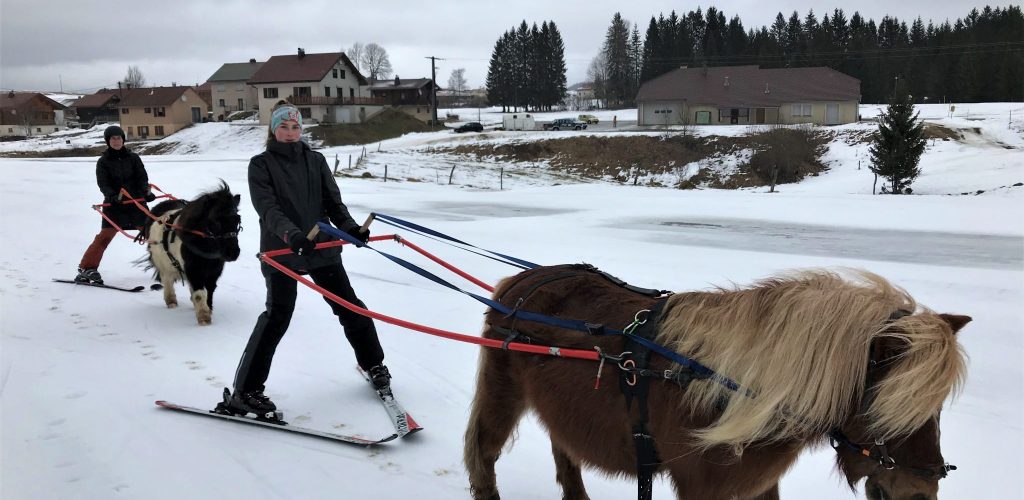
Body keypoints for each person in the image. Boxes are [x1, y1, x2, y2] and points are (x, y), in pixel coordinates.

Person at [227, 103, 388, 417]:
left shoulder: (315, 160)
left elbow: (333, 202)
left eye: (295, 128)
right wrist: (292, 235)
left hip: (323, 249)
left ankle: (374, 364)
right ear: (274, 130)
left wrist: (351, 229)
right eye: (284, 128)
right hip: (283, 252)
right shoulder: (261, 164)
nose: (290, 134)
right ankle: (245, 391)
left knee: (351, 307)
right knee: (277, 317)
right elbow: (268, 209)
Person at [75, 125, 154, 284]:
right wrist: (111, 196)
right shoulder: (103, 161)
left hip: (136, 204)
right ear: (108, 141)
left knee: (154, 235)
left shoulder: (134, 158)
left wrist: (146, 192)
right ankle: (87, 269)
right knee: (104, 237)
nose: (116, 141)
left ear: (123, 140)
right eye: (113, 138)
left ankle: (169, 265)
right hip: (114, 206)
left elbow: (142, 177)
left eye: (119, 138)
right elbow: (103, 183)